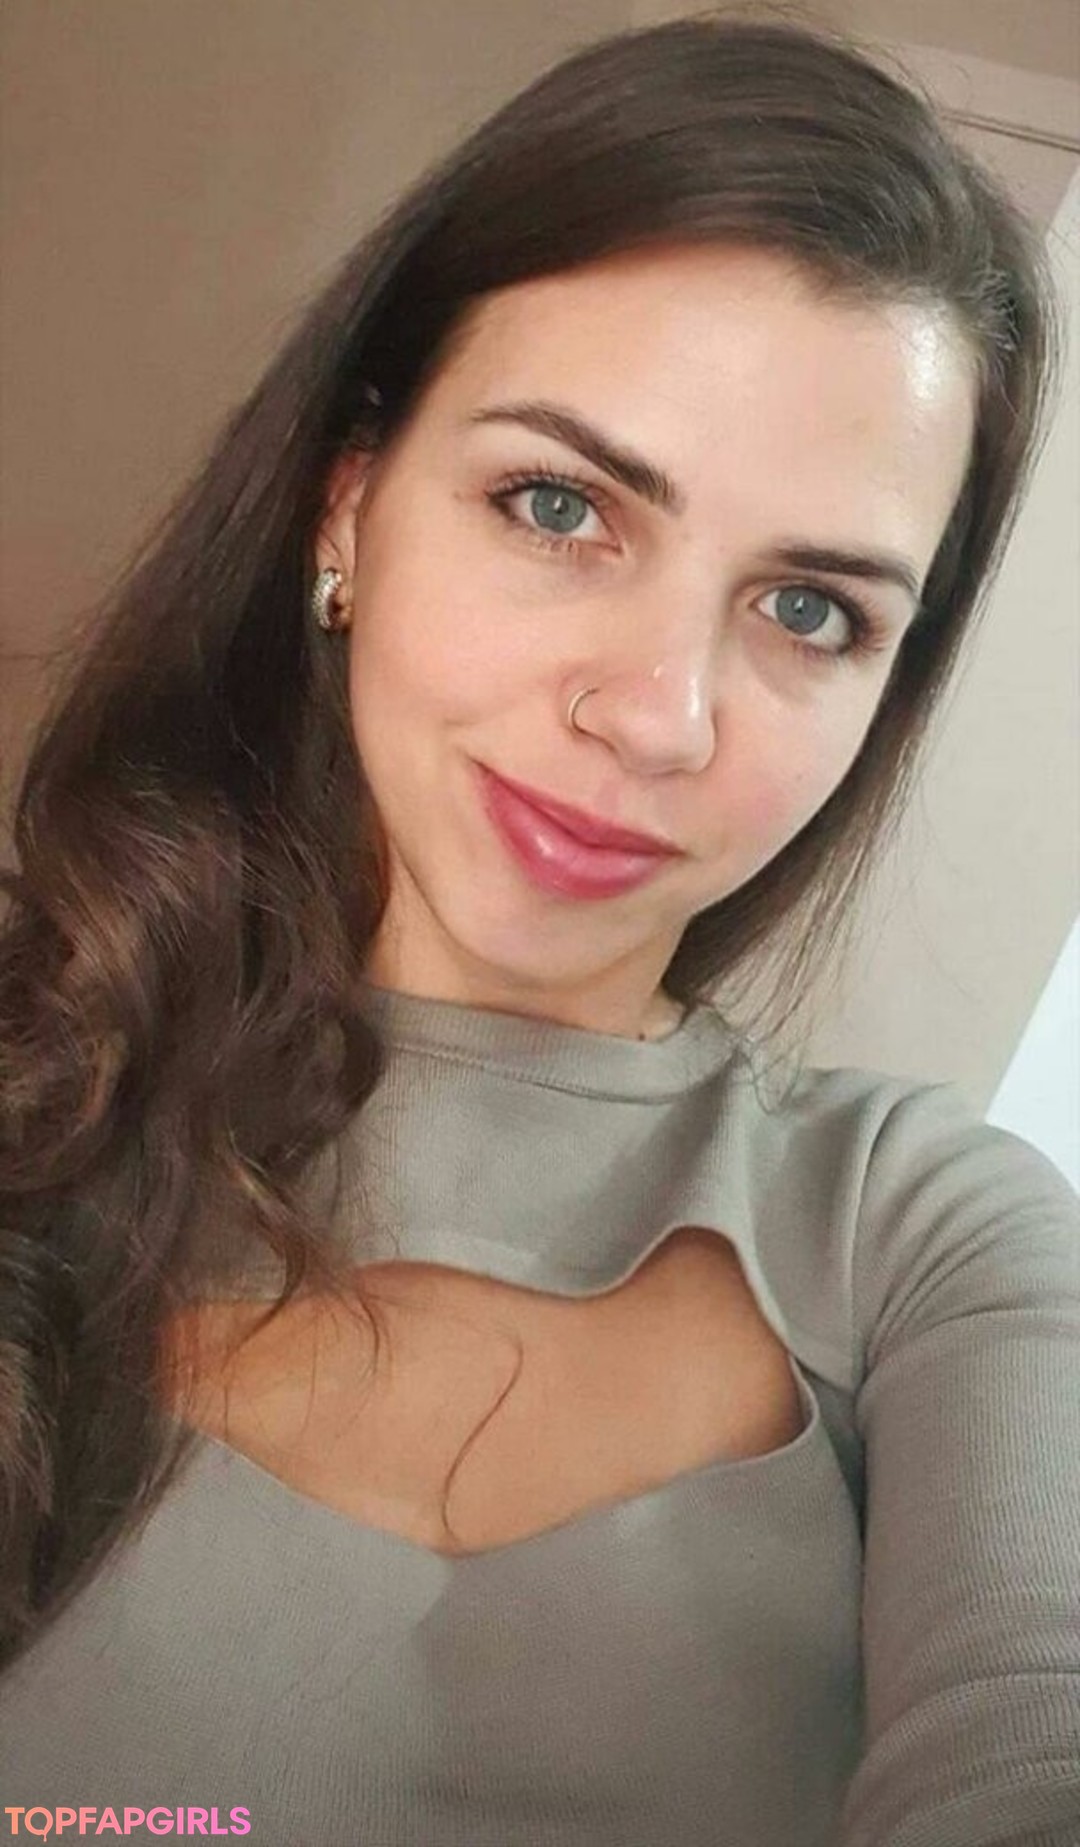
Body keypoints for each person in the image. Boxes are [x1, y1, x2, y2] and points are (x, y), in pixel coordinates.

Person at [1, 10, 1077, 1845]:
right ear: (350, 505)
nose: (659, 717)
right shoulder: (38, 1064)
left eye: (809, 610)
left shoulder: (926, 1239)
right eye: (559, 505)